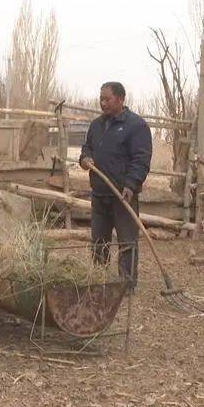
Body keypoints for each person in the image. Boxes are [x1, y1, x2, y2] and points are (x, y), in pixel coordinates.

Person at [78, 82, 152, 289]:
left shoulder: (136, 126)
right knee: (99, 241)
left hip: (123, 195)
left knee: (127, 242)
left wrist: (131, 184)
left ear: (120, 99)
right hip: (100, 193)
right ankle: (99, 280)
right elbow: (87, 148)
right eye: (101, 99)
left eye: (107, 99)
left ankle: (126, 285)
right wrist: (85, 158)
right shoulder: (96, 125)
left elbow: (141, 159)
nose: (103, 103)